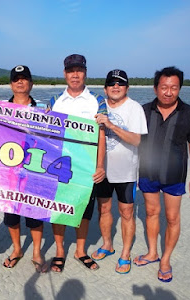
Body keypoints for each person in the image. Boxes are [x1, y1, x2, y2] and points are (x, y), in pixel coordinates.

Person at [0, 65, 48, 273]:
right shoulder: (0, 107)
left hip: (34, 169)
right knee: (11, 214)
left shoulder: (44, 107)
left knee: (35, 212)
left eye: (24, 79)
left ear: (31, 83)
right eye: (16, 79)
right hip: (8, 171)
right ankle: (17, 249)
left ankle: (37, 252)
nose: (20, 82)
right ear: (11, 84)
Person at [133, 66, 190, 283]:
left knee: (172, 218)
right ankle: (152, 253)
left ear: (179, 88)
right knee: (151, 213)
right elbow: (131, 136)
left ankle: (165, 259)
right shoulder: (144, 111)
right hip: (147, 172)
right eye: (164, 87)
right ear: (155, 88)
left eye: (174, 87)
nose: (168, 92)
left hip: (175, 175)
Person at [49, 54, 107, 272]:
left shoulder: (97, 101)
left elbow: (102, 135)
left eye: (79, 70)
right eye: (71, 70)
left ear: (85, 72)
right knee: (59, 208)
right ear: (65, 74)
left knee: (84, 210)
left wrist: (100, 166)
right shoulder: (55, 101)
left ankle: (80, 250)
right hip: (60, 165)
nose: (75, 74)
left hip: (86, 166)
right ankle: (60, 251)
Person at [90, 69, 148, 274]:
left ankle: (125, 254)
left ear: (127, 88)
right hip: (101, 171)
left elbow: (137, 140)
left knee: (126, 212)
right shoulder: (96, 105)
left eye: (120, 83)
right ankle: (107, 245)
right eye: (111, 83)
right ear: (105, 88)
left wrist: (111, 125)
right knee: (103, 209)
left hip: (126, 172)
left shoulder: (135, 109)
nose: (116, 86)